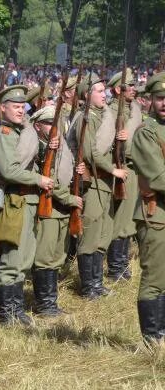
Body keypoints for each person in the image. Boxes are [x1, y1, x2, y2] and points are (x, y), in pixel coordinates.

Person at [0, 85, 54, 325]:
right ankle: (7, 314)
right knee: (12, 259)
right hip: (14, 200)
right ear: (2, 108)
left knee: (24, 259)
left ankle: (16, 310)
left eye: (22, 106)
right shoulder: (3, 133)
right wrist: (38, 179)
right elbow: (8, 170)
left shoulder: (19, 132)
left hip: (26, 200)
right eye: (14, 106)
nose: (20, 110)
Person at [70, 73, 124, 299]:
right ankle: (88, 287)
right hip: (91, 182)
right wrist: (113, 170)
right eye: (99, 91)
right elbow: (91, 151)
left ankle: (97, 283)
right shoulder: (86, 118)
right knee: (90, 236)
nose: (105, 94)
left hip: (103, 182)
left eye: (104, 91)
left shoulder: (102, 116)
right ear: (86, 94)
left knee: (103, 234)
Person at [29, 104, 83, 316]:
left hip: (63, 208)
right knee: (45, 257)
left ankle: (51, 302)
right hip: (50, 206)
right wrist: (69, 198)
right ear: (37, 126)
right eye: (48, 123)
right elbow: (48, 179)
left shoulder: (62, 148)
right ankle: (45, 305)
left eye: (56, 123)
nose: (54, 128)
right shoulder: (39, 148)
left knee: (57, 255)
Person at [130, 71, 165, 343]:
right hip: (156, 215)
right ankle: (152, 340)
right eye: (160, 97)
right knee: (154, 279)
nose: (164, 102)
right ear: (151, 100)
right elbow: (157, 177)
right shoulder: (146, 133)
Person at [105, 68, 141, 282]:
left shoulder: (133, 108)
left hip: (133, 168)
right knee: (120, 221)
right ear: (119, 89)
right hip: (118, 168)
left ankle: (122, 264)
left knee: (128, 220)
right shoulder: (110, 112)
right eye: (131, 86)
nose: (135, 89)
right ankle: (116, 267)